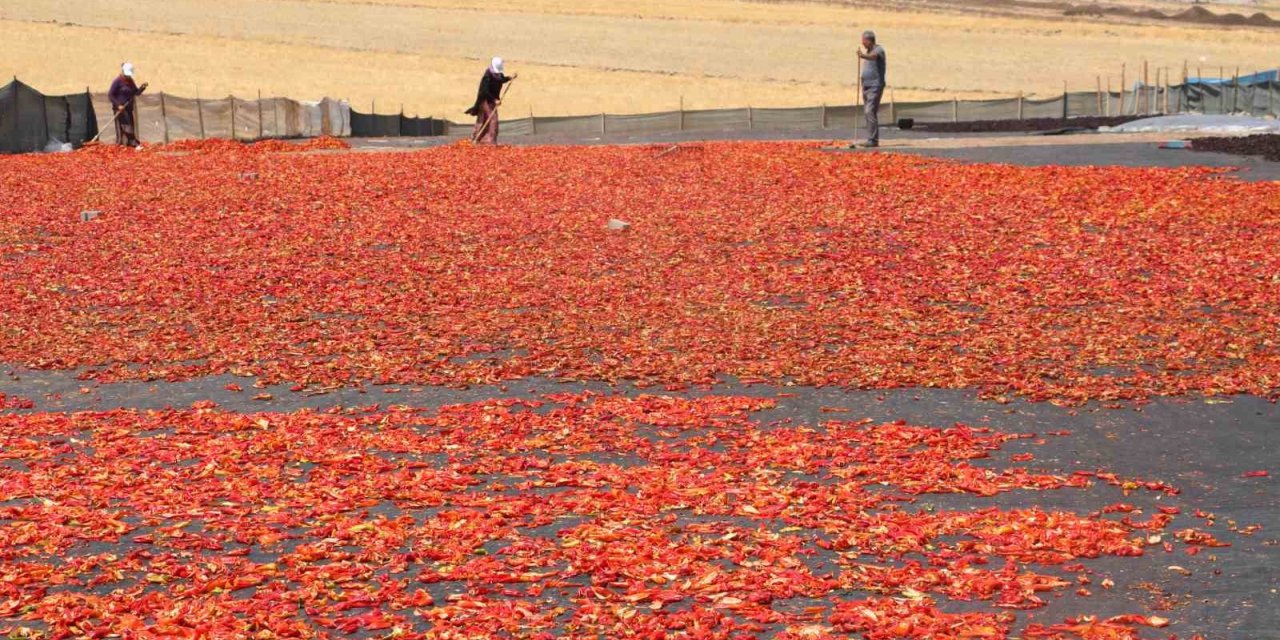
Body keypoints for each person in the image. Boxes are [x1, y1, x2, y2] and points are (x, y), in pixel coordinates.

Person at [466, 57, 516, 144]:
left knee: (489, 119)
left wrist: (509, 78)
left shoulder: (498, 75)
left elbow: (500, 80)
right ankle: (483, 140)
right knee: (491, 119)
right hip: (485, 100)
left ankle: (485, 140)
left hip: (492, 101)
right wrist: (494, 100)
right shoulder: (487, 76)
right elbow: (485, 91)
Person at [855, 31, 886, 148]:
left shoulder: (879, 50)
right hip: (866, 85)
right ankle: (871, 138)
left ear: (869, 40)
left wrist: (863, 56)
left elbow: (874, 57)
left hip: (875, 85)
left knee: (870, 111)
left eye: (864, 41)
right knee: (868, 112)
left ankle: (873, 140)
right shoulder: (869, 51)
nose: (862, 43)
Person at [108, 62, 148, 148]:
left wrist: (142, 88)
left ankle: (128, 144)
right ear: (123, 71)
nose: (127, 76)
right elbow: (110, 95)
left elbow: (135, 93)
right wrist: (118, 105)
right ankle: (130, 143)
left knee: (130, 125)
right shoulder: (117, 81)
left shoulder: (130, 81)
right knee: (125, 126)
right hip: (120, 109)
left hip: (128, 107)